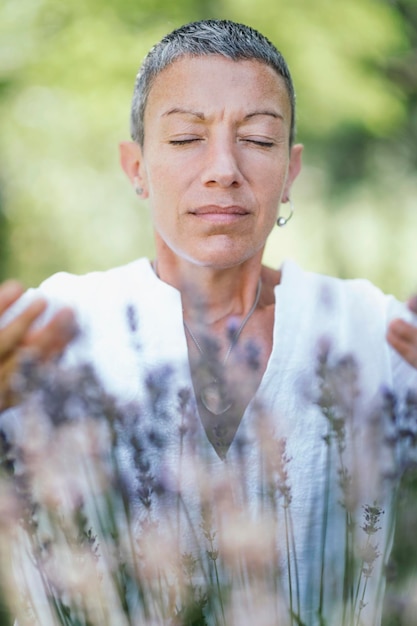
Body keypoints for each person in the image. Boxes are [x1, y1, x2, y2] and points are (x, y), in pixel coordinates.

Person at [0, 19, 417, 626]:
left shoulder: (371, 335)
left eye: (259, 139)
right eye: (184, 138)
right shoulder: (50, 333)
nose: (224, 168)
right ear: (135, 165)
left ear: (292, 169)